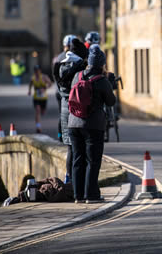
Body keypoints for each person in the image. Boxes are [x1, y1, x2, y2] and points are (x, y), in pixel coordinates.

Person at [68, 45, 116, 204]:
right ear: (101, 63)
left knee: (77, 159)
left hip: (73, 123)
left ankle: (78, 195)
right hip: (93, 125)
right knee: (92, 160)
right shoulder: (102, 80)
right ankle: (92, 195)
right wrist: (110, 84)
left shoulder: (77, 76)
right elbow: (111, 101)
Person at [57, 39, 88, 184]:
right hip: (75, 110)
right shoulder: (78, 68)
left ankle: (68, 178)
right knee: (80, 149)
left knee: (70, 147)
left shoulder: (62, 65)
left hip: (64, 108)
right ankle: (78, 182)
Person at [53, 35, 79, 142]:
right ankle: (67, 135)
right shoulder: (75, 57)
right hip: (69, 90)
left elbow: (54, 74)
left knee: (62, 113)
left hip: (59, 89)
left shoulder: (58, 58)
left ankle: (61, 135)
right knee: (71, 113)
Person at [28, 65, 52, 133]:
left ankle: (42, 113)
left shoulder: (44, 77)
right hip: (36, 97)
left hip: (44, 98)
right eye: (35, 71)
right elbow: (30, 84)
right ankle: (38, 126)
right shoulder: (32, 78)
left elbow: (50, 84)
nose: (36, 72)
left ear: (40, 71)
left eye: (37, 70)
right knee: (37, 110)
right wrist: (29, 91)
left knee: (42, 112)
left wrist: (44, 88)